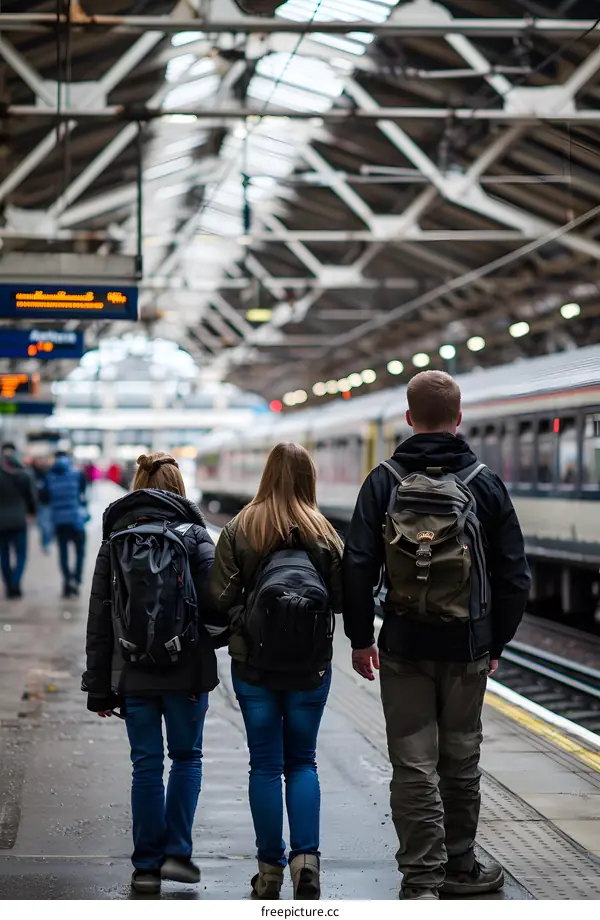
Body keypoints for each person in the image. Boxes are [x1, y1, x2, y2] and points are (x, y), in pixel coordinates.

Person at [342, 370, 531, 900]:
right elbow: (515, 575)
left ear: (408, 417)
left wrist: (361, 638)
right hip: (467, 644)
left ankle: (420, 878)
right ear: (458, 417)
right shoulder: (485, 482)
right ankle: (460, 866)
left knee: (412, 762)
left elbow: (356, 566)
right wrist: (496, 643)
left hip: (403, 644)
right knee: (461, 757)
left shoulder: (382, 481)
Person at [82, 452, 228, 895]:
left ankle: (145, 865)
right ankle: (178, 855)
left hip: (133, 670)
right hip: (187, 673)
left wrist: (100, 688)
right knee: (186, 759)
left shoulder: (116, 540)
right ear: (179, 487)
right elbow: (218, 607)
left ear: (138, 483)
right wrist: (207, 645)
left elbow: (100, 618)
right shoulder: (196, 537)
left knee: (145, 766)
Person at [212, 442, 343, 901]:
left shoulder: (240, 527)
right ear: (309, 478)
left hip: (254, 665)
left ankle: (269, 870)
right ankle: (306, 862)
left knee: (265, 764)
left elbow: (219, 597)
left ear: (265, 474)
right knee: (302, 761)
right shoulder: (324, 531)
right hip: (310, 666)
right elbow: (343, 599)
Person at [44, 451, 88, 597]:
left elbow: (45, 497)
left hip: (59, 521)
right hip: (76, 520)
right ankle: (76, 579)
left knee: (63, 553)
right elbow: (83, 496)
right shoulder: (77, 475)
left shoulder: (49, 477)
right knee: (79, 552)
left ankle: (67, 581)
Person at [0, 442, 37, 598]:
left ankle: (9, 585)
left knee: (4, 554)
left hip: (1, 521)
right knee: (21, 554)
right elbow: (31, 497)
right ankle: (16, 582)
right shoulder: (24, 473)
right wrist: (32, 513)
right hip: (20, 520)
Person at [31, 457, 54, 554]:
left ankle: (46, 543)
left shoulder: (48, 473)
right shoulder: (32, 473)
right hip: (39, 503)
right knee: (43, 525)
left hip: (46, 503)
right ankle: (45, 542)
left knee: (46, 525)